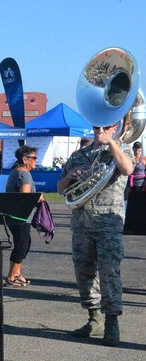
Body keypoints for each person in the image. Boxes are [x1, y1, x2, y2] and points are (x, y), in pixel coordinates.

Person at [58, 119, 134, 346]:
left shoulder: (122, 148)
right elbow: (61, 189)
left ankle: (112, 322)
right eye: (96, 128)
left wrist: (112, 144)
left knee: (110, 273)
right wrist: (70, 176)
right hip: (81, 223)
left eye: (105, 128)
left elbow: (127, 169)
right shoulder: (79, 155)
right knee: (84, 273)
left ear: (114, 128)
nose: (100, 132)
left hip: (109, 223)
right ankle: (94, 318)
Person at [5, 145, 42, 286]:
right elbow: (25, 197)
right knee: (21, 245)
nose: (36, 161)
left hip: (13, 215)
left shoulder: (15, 172)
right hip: (21, 216)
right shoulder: (24, 174)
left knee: (24, 243)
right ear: (24, 159)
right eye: (33, 158)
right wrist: (38, 197)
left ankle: (18, 273)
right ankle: (11, 276)